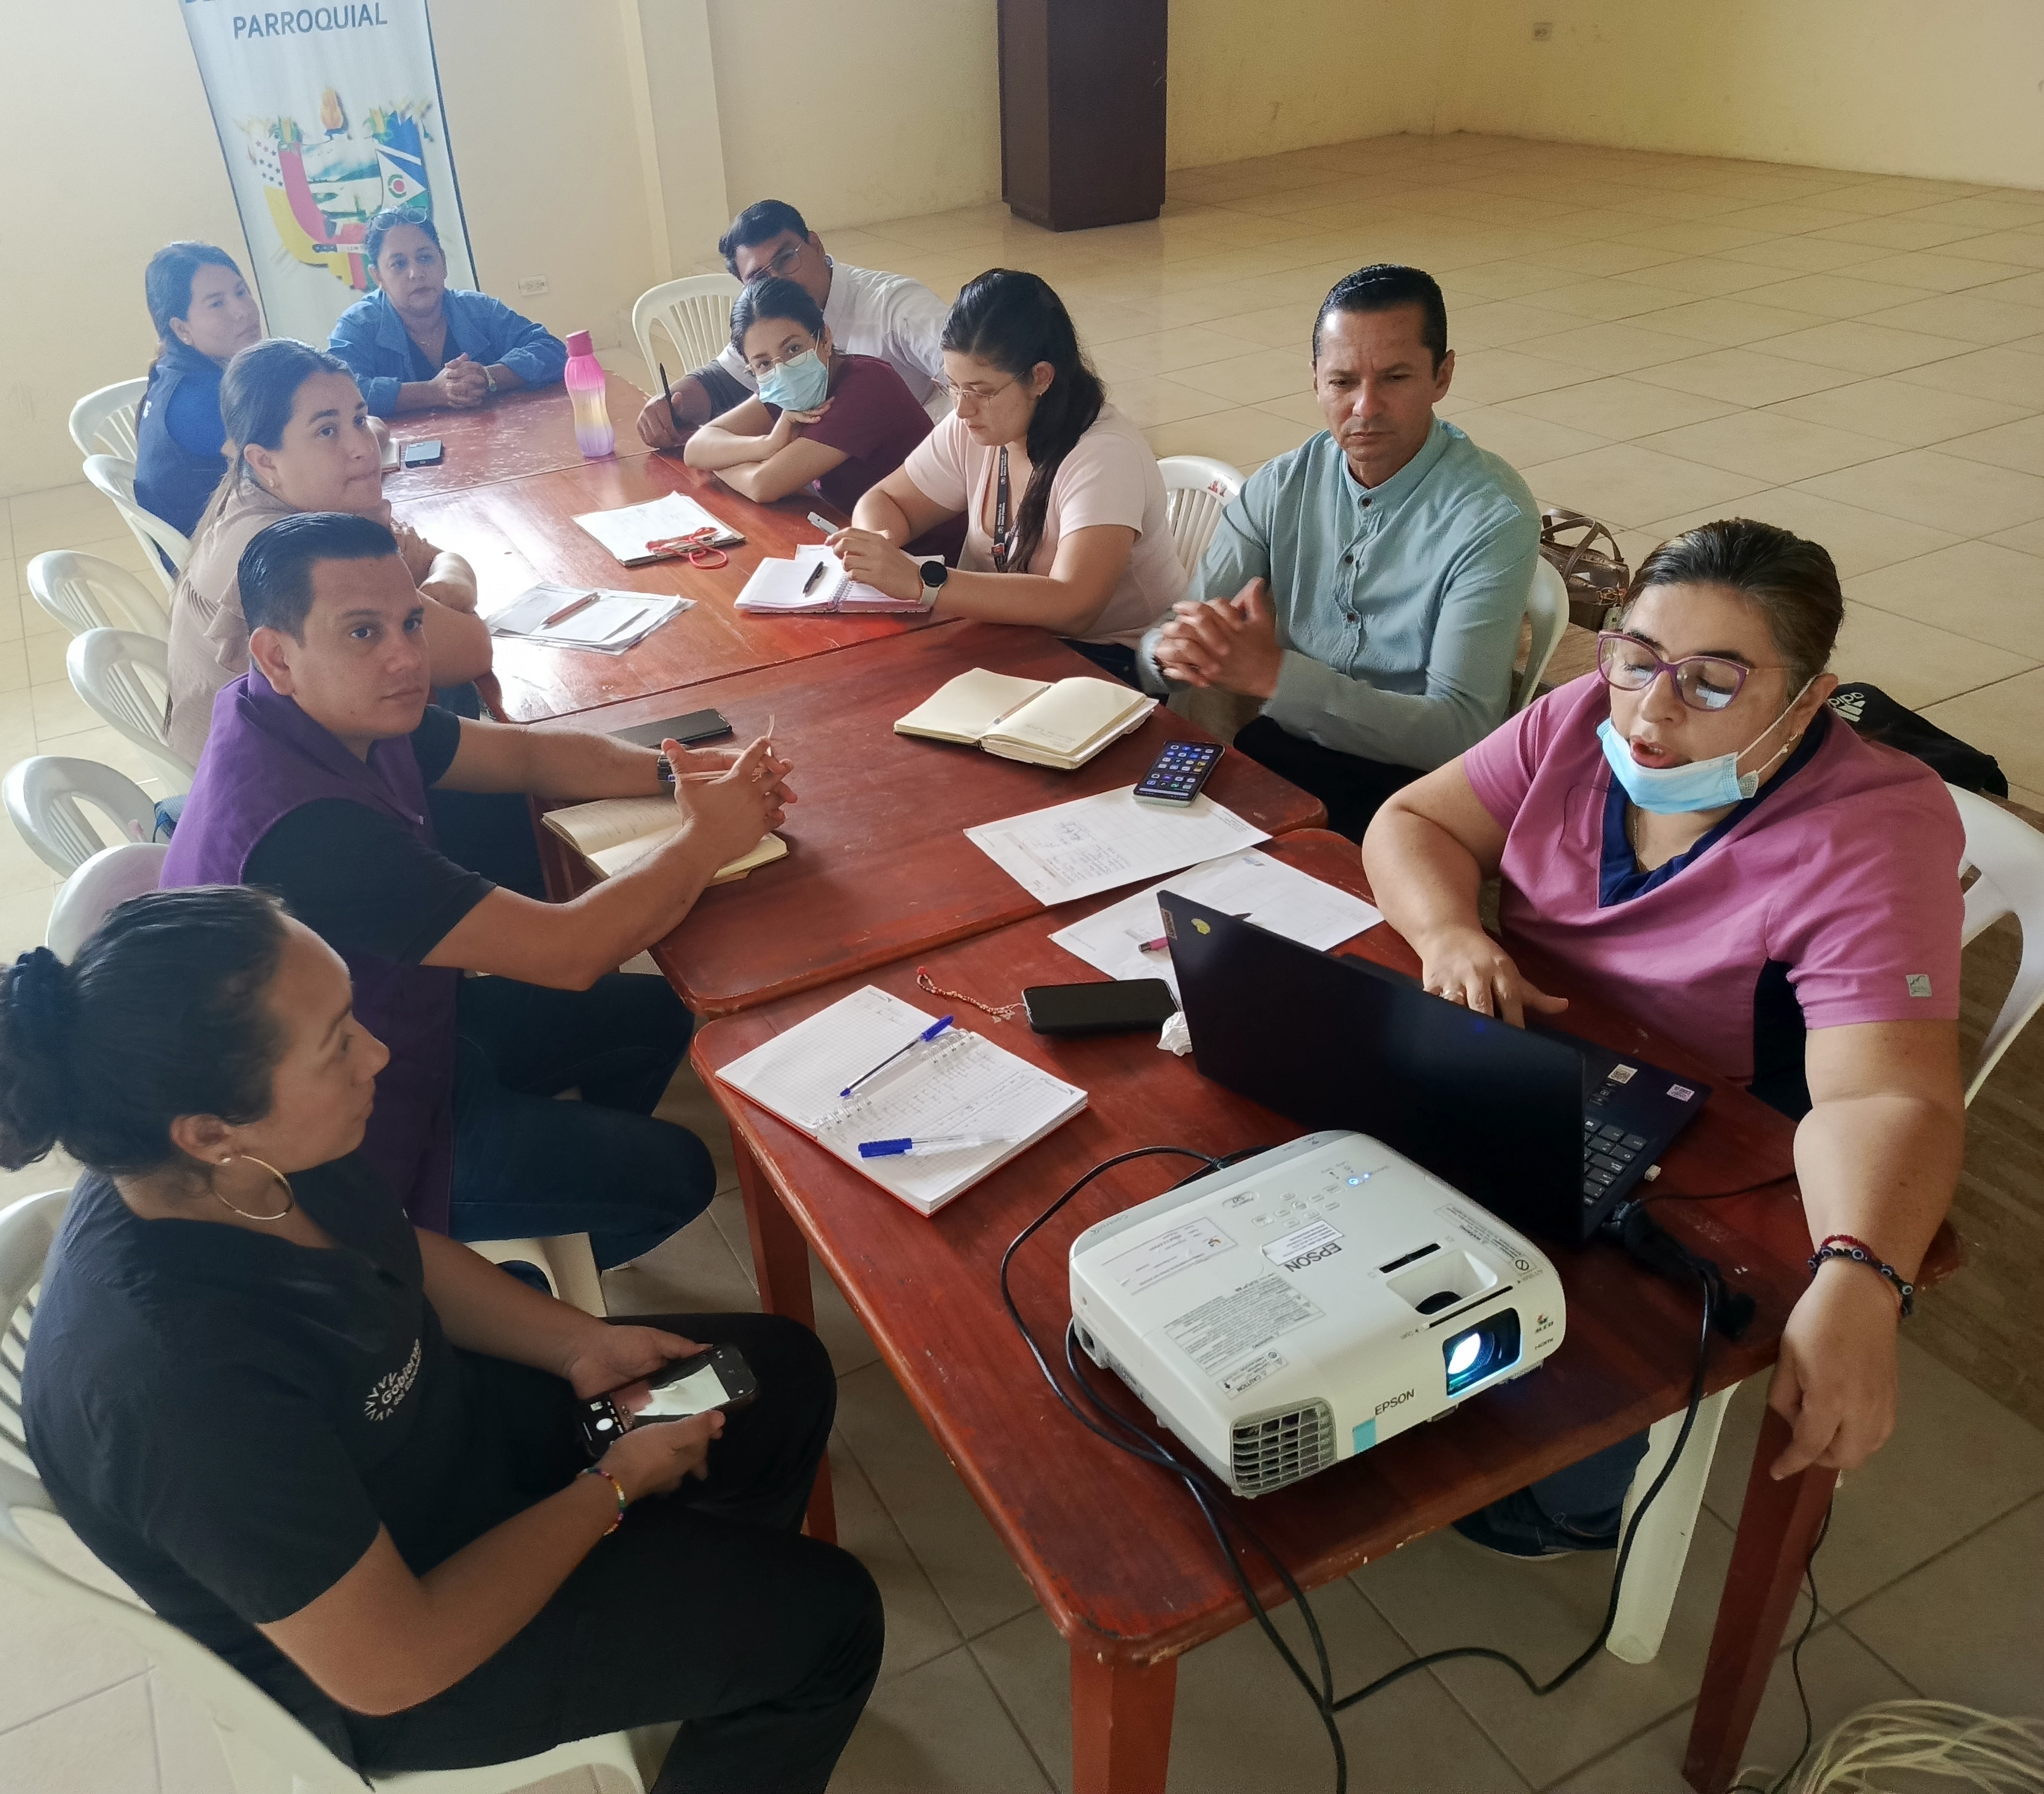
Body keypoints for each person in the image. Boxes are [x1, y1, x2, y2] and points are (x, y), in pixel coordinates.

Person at [0, 886, 882, 1789]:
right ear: (210, 1132)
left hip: (438, 1444)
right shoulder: (178, 1388)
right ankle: (730, 1639)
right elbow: (392, 1663)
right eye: (337, 1045)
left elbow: (402, 1255)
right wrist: (611, 1488)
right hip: (408, 1639)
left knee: (781, 1373)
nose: (378, 1053)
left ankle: (706, 1628)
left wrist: (578, 1346)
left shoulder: (245, 1161)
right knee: (832, 1625)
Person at [1364, 518, 1966, 1556]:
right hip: (1542, 1056)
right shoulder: (1575, 722)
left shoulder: (1867, 832)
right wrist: (1450, 933)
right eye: (1636, 660)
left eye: (1713, 683)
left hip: (1708, 1133)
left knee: (1607, 1346)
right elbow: (1415, 823)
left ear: (1808, 700)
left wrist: (1862, 1277)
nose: (1650, 712)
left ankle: (1571, 1506)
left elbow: (1884, 1094)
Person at [162, 511, 797, 1267]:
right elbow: (569, 952)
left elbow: (524, 756)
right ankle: (494, 1276)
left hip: (397, 1027)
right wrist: (708, 837)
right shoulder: (310, 832)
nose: (405, 658)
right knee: (676, 1173)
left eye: (410, 623)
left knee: (656, 1016)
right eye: (362, 632)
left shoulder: (318, 708)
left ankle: (562, 1171)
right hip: (341, 1137)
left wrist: (680, 774)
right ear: (277, 656)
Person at [1148, 263, 1542, 840]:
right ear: (1315, 381)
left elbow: (1461, 730)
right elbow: (1175, 628)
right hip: (1287, 747)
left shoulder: (1491, 517)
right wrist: (1170, 651)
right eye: (1342, 382)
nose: (1365, 407)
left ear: (1442, 376)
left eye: (1395, 378)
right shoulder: (1283, 484)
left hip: (1414, 792)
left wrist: (1276, 676)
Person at [828, 269, 1187, 685]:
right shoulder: (973, 425)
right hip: (1008, 636)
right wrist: (879, 548)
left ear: (1040, 378)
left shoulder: (1104, 455)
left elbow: (1075, 605)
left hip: (1104, 661)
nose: (962, 409)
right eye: (953, 386)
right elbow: (886, 501)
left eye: (982, 390)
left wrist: (920, 581)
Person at [164, 338, 486, 768]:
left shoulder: (260, 496)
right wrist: (448, 587)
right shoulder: (295, 550)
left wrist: (447, 583)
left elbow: (437, 561)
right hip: (286, 787)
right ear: (265, 461)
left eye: (358, 419)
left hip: (286, 765)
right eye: (327, 431)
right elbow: (472, 652)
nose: (362, 448)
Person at [637, 199, 949, 450]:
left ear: (816, 246)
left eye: (786, 259)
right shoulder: (769, 318)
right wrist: (668, 405)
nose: (779, 280)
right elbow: (720, 381)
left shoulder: (895, 305)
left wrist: (930, 433)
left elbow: (971, 373)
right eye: (759, 277)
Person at [679, 277, 960, 555]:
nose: (783, 369)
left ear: (824, 338)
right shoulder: (784, 388)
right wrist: (766, 445)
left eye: (793, 349)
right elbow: (696, 448)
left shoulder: (867, 386)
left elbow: (763, 485)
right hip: (855, 537)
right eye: (763, 363)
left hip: (926, 558)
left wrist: (723, 460)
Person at [330, 207, 566, 417]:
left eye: (425, 258)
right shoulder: (358, 326)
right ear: (378, 277)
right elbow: (338, 393)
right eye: (399, 264)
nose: (416, 273)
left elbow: (551, 350)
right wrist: (431, 392)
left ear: (443, 263)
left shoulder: (479, 310)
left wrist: (488, 377)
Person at [133, 242, 263, 547]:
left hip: (233, 534)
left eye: (241, 292)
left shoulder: (178, 370)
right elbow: (282, 470)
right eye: (217, 304)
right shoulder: (197, 400)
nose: (243, 311)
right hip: (218, 560)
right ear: (182, 329)